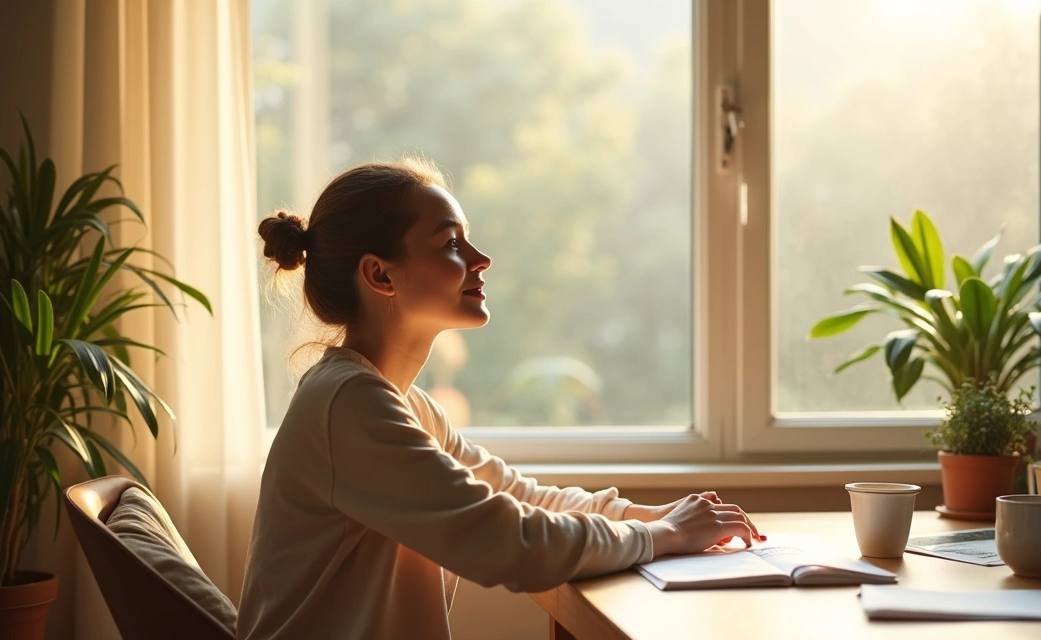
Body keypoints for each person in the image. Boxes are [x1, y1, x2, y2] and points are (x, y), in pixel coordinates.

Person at [238, 159, 762, 640]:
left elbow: (516, 497)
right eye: (450, 244)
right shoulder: (348, 405)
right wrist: (663, 536)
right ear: (380, 274)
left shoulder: (404, 405)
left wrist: (643, 517)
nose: (480, 259)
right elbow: (508, 541)